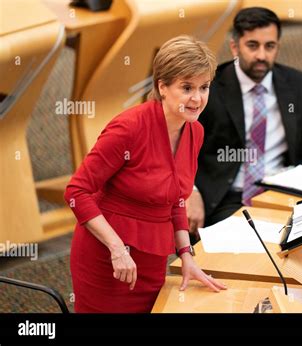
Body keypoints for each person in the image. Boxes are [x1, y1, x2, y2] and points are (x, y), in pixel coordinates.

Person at [65, 35, 226, 313]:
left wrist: (186, 254)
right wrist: (117, 249)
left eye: (204, 87)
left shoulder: (194, 132)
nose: (197, 98)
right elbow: (76, 193)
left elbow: (176, 199)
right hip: (107, 258)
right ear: (162, 86)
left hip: (150, 259)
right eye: (186, 87)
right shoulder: (129, 128)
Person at [186, 7, 302, 237]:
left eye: (270, 46)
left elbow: (299, 150)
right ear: (235, 47)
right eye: (252, 46)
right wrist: (190, 192)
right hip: (227, 197)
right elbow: (179, 149)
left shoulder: (298, 83)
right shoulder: (209, 88)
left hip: (281, 193)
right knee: (252, 247)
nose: (262, 56)